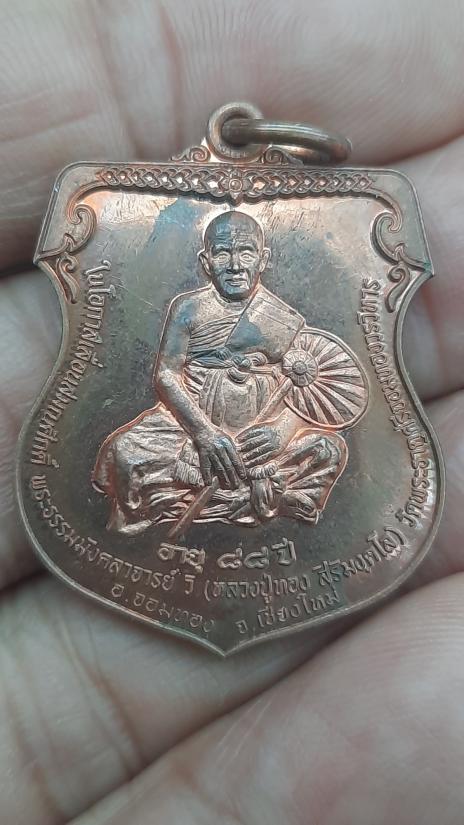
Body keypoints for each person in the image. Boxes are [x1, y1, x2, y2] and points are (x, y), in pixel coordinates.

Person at [92, 210, 366, 534]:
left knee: (329, 450)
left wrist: (281, 433)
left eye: (246, 252)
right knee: (125, 451)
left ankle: (244, 495)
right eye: (223, 253)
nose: (235, 265)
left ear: (263, 260)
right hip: (191, 425)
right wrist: (204, 434)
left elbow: (301, 385)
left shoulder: (282, 318)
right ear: (206, 262)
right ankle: (247, 496)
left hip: (257, 437)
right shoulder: (188, 309)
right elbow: (166, 375)